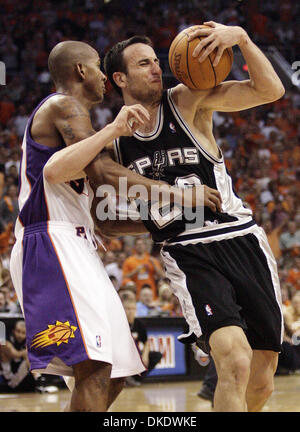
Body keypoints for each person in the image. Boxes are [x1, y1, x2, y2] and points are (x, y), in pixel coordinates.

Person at [9, 40, 202, 412]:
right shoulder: (65, 106)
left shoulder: (84, 129)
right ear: (81, 70)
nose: (103, 77)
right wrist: (176, 194)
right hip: (52, 239)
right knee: (95, 368)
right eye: (98, 67)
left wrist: (166, 222)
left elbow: (106, 220)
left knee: (113, 374)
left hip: (77, 242)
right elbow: (103, 175)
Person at [104, 21, 285, 412]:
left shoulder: (188, 100)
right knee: (234, 360)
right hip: (188, 252)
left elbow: (271, 89)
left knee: (262, 376)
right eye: (142, 64)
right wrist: (159, 219)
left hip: (240, 236)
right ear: (119, 77)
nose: (156, 68)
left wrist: (242, 39)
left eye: (156, 61)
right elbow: (103, 219)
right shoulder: (114, 140)